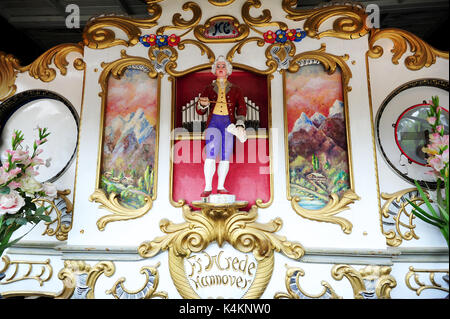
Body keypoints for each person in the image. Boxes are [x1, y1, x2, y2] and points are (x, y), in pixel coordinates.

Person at [196, 55, 247, 199]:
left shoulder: (236, 89)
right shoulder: (208, 88)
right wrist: (202, 105)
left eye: (223, 66)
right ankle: (207, 186)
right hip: (213, 122)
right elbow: (199, 110)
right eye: (218, 66)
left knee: (226, 155)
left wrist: (240, 124)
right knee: (210, 155)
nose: (220, 69)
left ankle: (221, 186)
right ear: (214, 70)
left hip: (229, 124)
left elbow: (242, 108)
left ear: (228, 70)